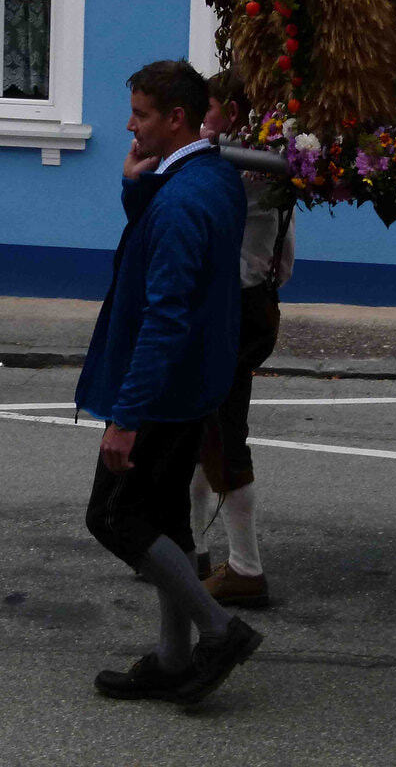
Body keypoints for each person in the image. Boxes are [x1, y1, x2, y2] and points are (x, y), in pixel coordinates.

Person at [77, 59, 262, 705]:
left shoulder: (183, 200)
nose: (130, 126)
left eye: (141, 115)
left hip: (162, 389)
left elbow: (164, 315)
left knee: (114, 517)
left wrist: (126, 417)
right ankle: (173, 657)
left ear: (177, 118)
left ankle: (219, 631)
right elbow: (162, 243)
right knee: (164, 519)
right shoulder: (210, 174)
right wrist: (137, 187)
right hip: (192, 382)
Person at [190, 71, 295, 607]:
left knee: (223, 432)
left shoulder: (234, 167)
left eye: (205, 108)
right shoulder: (268, 162)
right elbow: (286, 256)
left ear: (231, 113)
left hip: (231, 308)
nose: (197, 119)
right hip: (253, 303)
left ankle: (245, 568)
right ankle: (190, 548)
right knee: (200, 429)